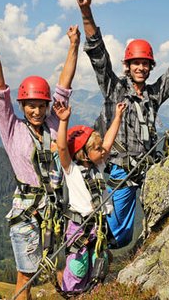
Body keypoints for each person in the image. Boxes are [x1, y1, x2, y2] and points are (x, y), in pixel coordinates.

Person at [76, 0, 169, 248]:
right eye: (136, 63)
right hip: (118, 171)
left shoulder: (153, 95)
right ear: (128, 65)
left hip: (144, 171)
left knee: (136, 230)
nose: (141, 67)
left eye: (145, 64)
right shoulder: (114, 90)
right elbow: (98, 57)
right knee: (114, 234)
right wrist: (86, 12)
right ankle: (86, 262)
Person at [0, 18, 80, 300]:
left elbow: (65, 83)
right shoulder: (11, 128)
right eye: (31, 106)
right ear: (22, 106)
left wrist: (73, 45)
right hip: (27, 209)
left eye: (40, 106)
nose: (36, 112)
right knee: (26, 275)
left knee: (58, 266)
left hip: (54, 208)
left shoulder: (52, 123)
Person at [53, 100, 126, 294]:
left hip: (98, 226)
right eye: (97, 148)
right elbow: (62, 148)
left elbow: (109, 141)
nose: (103, 151)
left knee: (96, 265)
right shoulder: (72, 170)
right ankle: (71, 293)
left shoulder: (98, 166)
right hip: (78, 227)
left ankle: (91, 294)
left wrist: (118, 117)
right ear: (83, 154)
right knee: (78, 267)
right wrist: (63, 121)